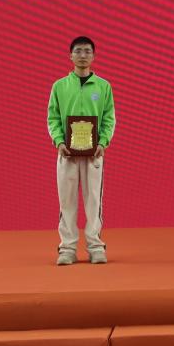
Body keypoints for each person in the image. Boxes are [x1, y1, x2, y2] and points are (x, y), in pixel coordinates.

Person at [47, 36, 117, 265]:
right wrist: (59, 141)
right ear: (70, 56)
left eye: (87, 51)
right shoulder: (59, 86)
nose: (83, 55)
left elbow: (109, 118)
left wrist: (102, 142)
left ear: (94, 56)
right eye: (78, 51)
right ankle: (67, 249)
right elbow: (52, 117)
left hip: (93, 154)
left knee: (93, 200)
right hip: (67, 153)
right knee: (67, 201)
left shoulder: (103, 86)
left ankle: (95, 247)